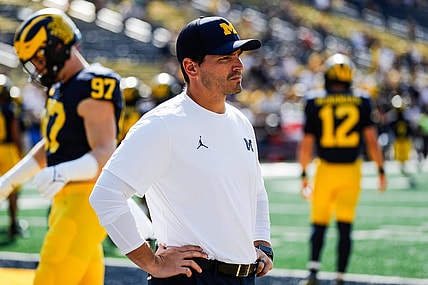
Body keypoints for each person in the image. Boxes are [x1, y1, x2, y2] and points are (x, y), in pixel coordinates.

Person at [90, 15, 274, 285]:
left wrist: (262, 242)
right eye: (224, 58)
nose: (238, 65)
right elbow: (105, 195)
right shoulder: (163, 124)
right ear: (191, 67)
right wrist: (152, 262)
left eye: (238, 55)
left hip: (243, 277)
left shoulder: (241, 122)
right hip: (192, 278)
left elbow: (256, 191)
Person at [0, 8, 123, 285]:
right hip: (66, 201)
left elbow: (105, 154)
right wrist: (9, 181)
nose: (38, 67)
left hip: (86, 200)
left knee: (50, 279)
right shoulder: (63, 87)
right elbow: (54, 144)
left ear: (58, 45)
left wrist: (62, 172)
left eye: (39, 58)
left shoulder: (94, 82)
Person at [297, 53, 387, 285]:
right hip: (351, 171)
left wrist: (304, 173)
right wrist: (380, 170)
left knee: (319, 222)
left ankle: (313, 272)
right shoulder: (362, 100)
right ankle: (340, 276)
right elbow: (371, 140)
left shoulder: (314, 101)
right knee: (345, 225)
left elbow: (306, 143)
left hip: (325, 170)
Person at [0, 74, 26, 239]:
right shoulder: (10, 109)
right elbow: (15, 133)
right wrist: (20, 152)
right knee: (12, 189)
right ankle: (13, 224)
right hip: (8, 149)